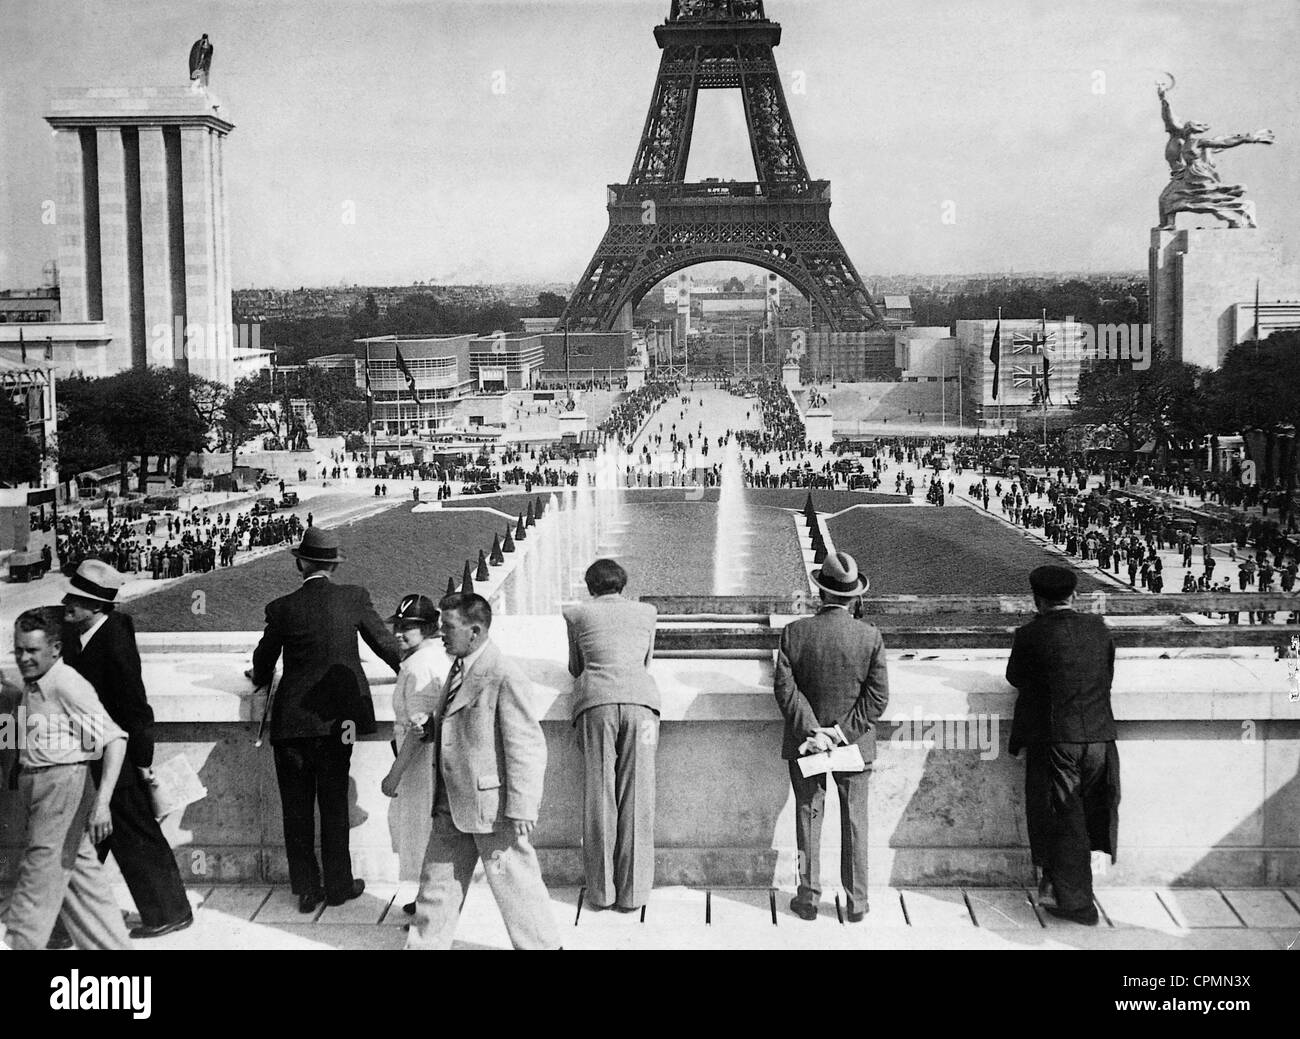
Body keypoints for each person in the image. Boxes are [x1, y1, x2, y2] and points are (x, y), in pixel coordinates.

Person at [249, 527, 402, 914]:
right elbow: (384, 644)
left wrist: (259, 677)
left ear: (301, 564)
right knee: (334, 803)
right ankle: (338, 885)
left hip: (292, 723)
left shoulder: (281, 607)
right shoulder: (354, 598)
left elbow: (263, 662)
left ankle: (307, 888)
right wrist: (413, 667)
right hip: (339, 721)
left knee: (295, 809)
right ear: (333, 565)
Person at [406, 592, 560, 950]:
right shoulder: (460, 668)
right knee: (437, 886)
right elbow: (458, 721)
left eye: (447, 627)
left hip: (492, 809)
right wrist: (430, 725)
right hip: (451, 801)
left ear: (474, 631)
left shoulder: (504, 675)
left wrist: (522, 807)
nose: (440, 634)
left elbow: (527, 746)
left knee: (517, 889)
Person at [59, 560, 194, 939]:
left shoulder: (114, 642)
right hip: (92, 753)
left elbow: (136, 706)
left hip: (115, 756)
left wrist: (143, 762)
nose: (67, 602)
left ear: (97, 607)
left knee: (129, 837)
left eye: (77, 598)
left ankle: (168, 911)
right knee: (103, 839)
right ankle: (166, 911)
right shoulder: (86, 628)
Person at [0, 608, 132, 950]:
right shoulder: (32, 685)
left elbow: (114, 739)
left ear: (55, 649)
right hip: (39, 787)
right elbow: (19, 736)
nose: (24, 658)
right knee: (82, 884)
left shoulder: (67, 683)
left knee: (35, 883)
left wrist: (102, 803)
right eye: (19, 650)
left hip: (62, 786)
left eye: (32, 651)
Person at [774, 551, 889, 923]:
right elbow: (877, 698)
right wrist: (841, 734)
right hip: (852, 745)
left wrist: (814, 732)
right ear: (854, 597)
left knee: (807, 817)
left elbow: (786, 691)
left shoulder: (794, 632)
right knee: (855, 823)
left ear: (819, 592)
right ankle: (856, 901)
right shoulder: (869, 636)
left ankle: (807, 896)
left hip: (807, 743)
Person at [1006, 564, 1120, 926]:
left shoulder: (1030, 634)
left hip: (1060, 740)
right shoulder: (1099, 628)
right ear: (1074, 596)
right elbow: (1107, 674)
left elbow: (1015, 677)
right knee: (1087, 816)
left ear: (1037, 600)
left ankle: (1077, 904)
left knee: (1064, 819)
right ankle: (1065, 889)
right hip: (1100, 736)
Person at [562, 559, 659, 912]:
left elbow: (576, 668)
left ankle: (601, 893)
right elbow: (647, 662)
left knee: (599, 794)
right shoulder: (647, 612)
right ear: (623, 585)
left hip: (596, 705)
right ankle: (633, 894)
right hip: (642, 705)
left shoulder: (576, 615)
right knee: (638, 796)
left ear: (590, 588)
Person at [380, 594, 442, 913]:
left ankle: (428, 903)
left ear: (429, 628)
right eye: (399, 626)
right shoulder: (428, 659)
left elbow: (418, 732)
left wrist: (394, 775)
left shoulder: (420, 666)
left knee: (418, 832)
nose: (399, 633)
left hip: (419, 765)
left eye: (408, 628)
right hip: (426, 763)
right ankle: (426, 899)